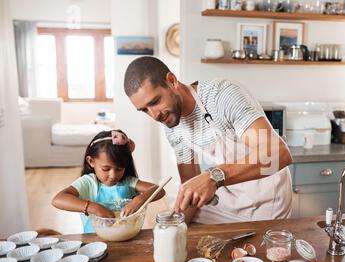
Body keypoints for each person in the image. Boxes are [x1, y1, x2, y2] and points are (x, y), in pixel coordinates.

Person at [123, 56, 293, 224]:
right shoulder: (172, 125)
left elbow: (278, 155)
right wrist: (173, 228)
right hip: (228, 197)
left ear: (172, 80)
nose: (154, 115)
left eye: (155, 101)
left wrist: (214, 177)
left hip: (267, 200)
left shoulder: (221, 96)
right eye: (144, 110)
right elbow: (189, 187)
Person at [52, 130, 165, 233]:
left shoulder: (128, 181)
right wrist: (94, 207)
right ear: (91, 161)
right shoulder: (89, 182)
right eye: (106, 169)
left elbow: (159, 190)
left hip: (127, 234)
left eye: (119, 169)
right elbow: (58, 199)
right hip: (94, 240)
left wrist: (138, 200)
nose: (113, 175)